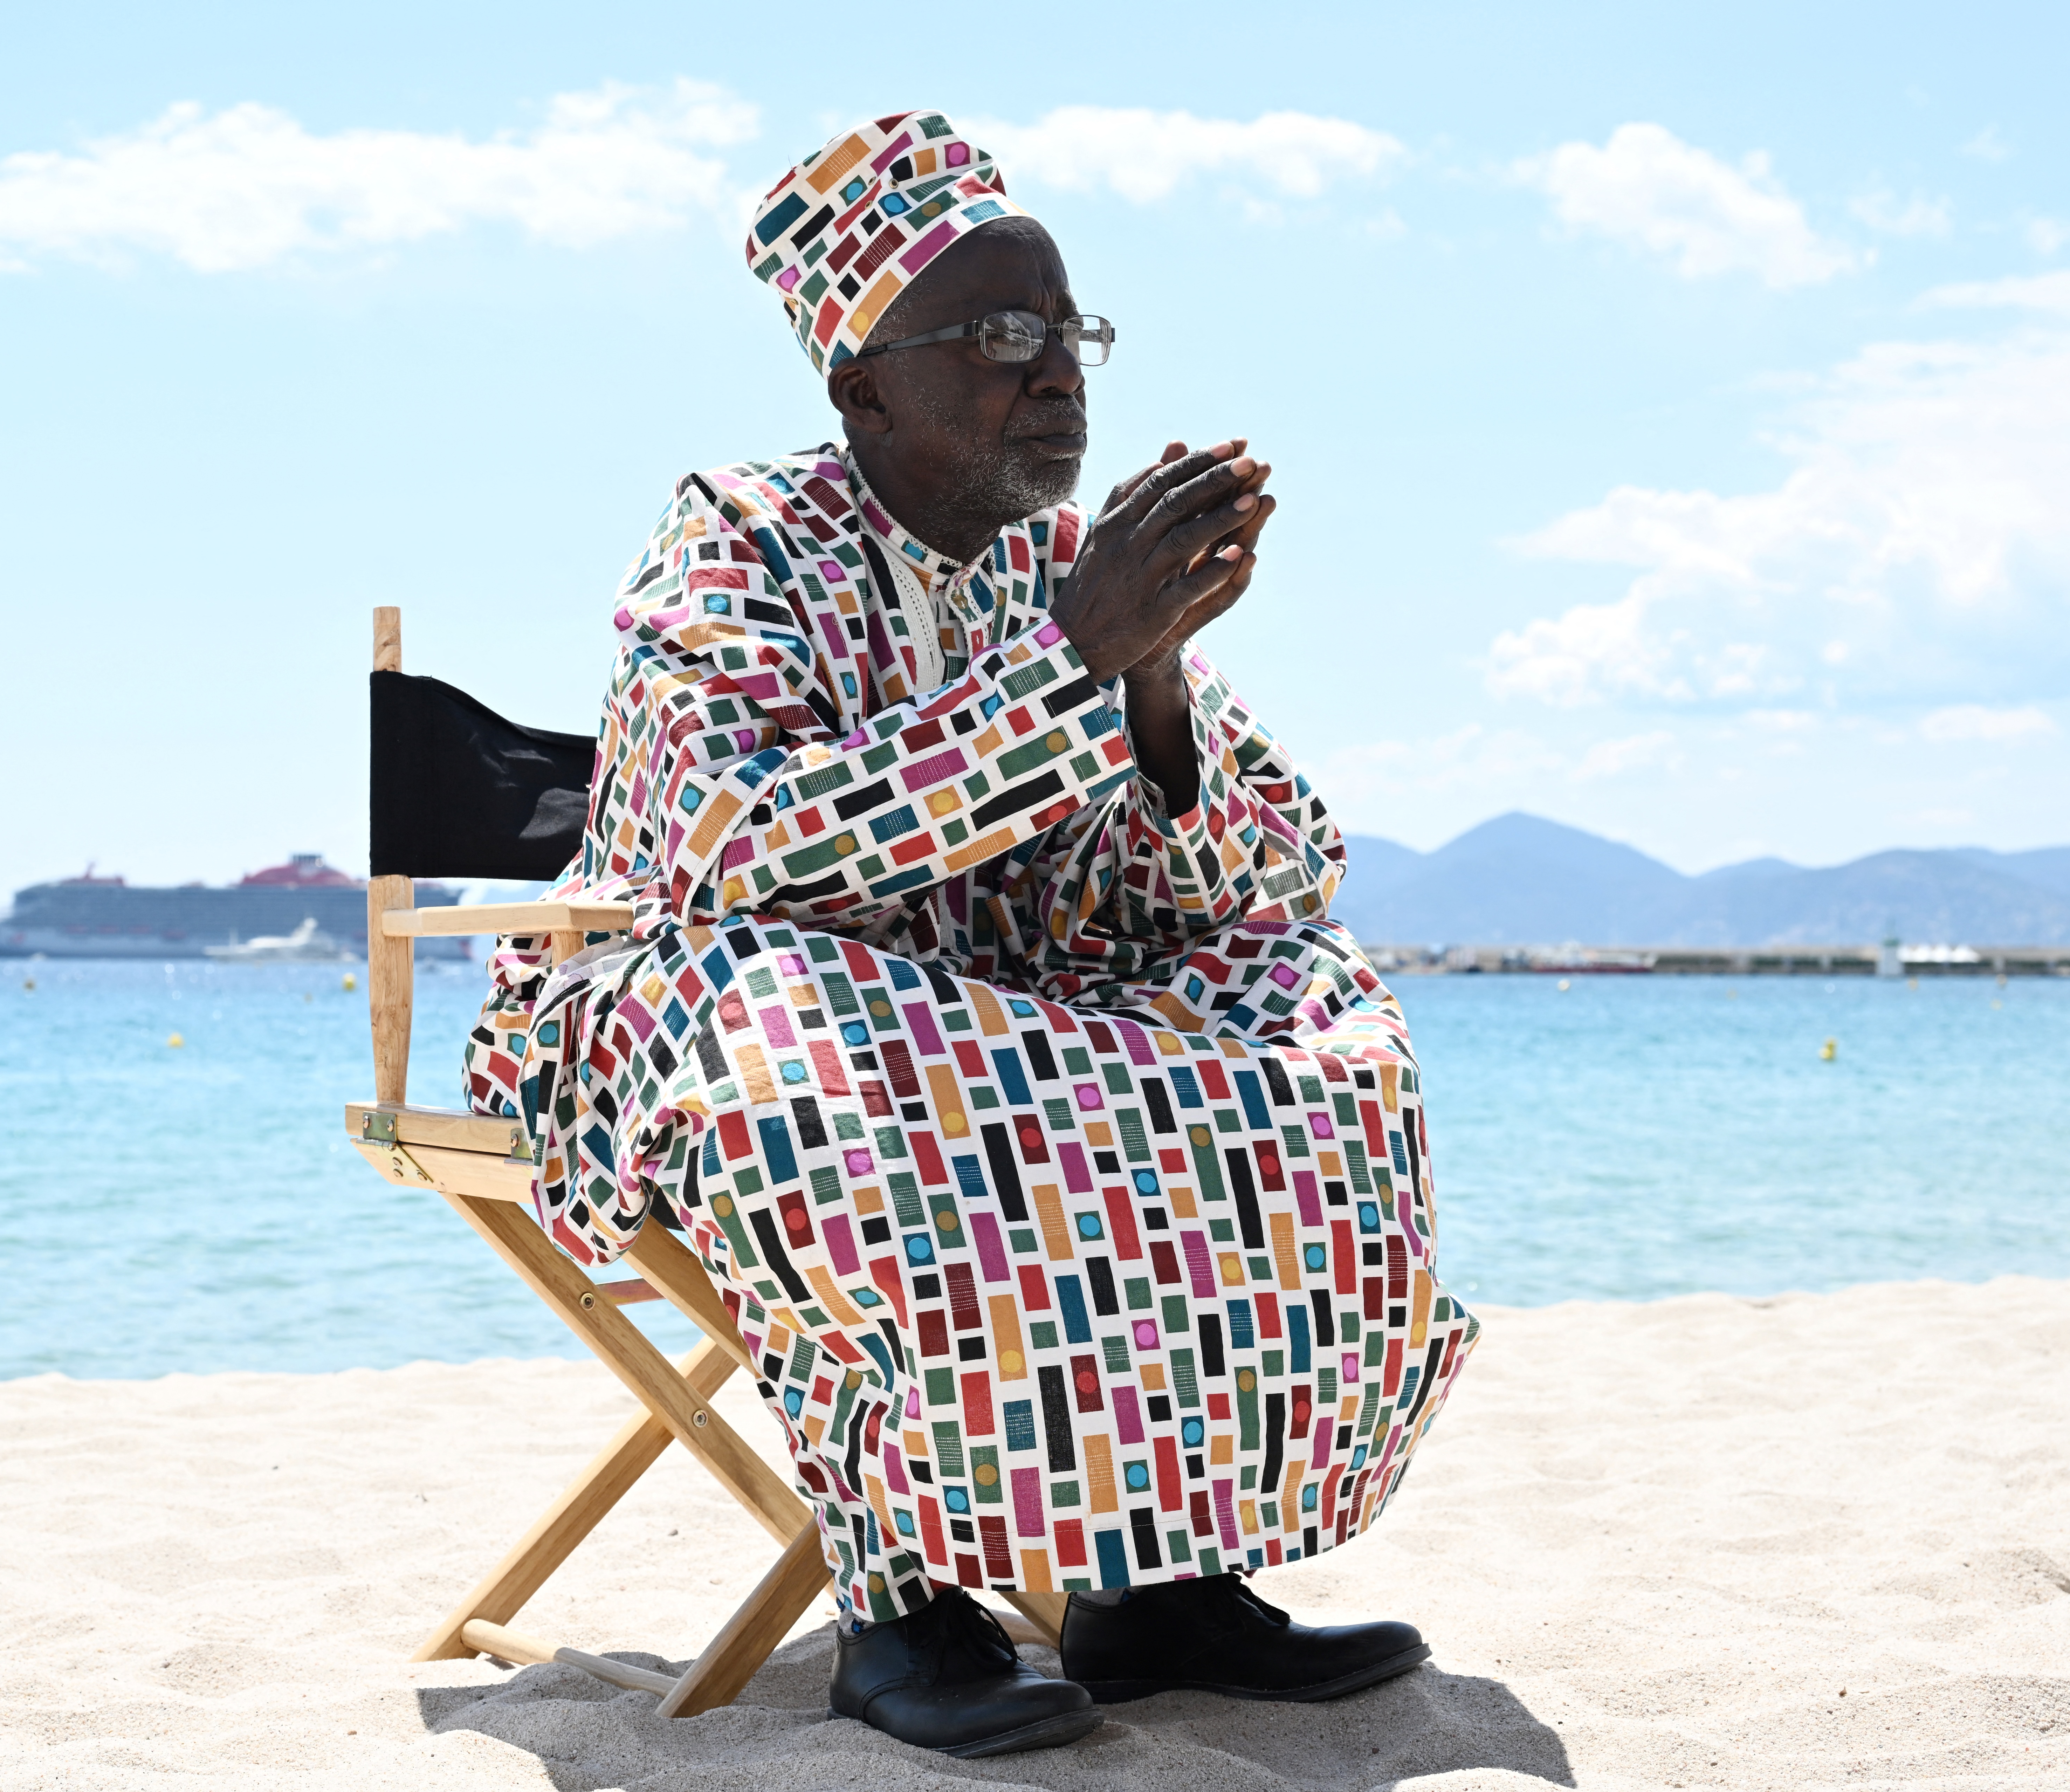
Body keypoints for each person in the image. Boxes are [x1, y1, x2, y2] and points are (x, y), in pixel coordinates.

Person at [463, 109, 1480, 1759]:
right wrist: (1071, 670)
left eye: (1067, 333)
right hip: (684, 1003)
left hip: (977, 1014)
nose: (1056, 373)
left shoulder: (1061, 567)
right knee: (837, 1033)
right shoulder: (737, 536)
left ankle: (1154, 1582)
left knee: (1302, 1013)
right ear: (863, 385)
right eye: (1002, 339)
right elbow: (734, 847)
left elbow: (1282, 863)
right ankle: (899, 1602)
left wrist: (1148, 677)